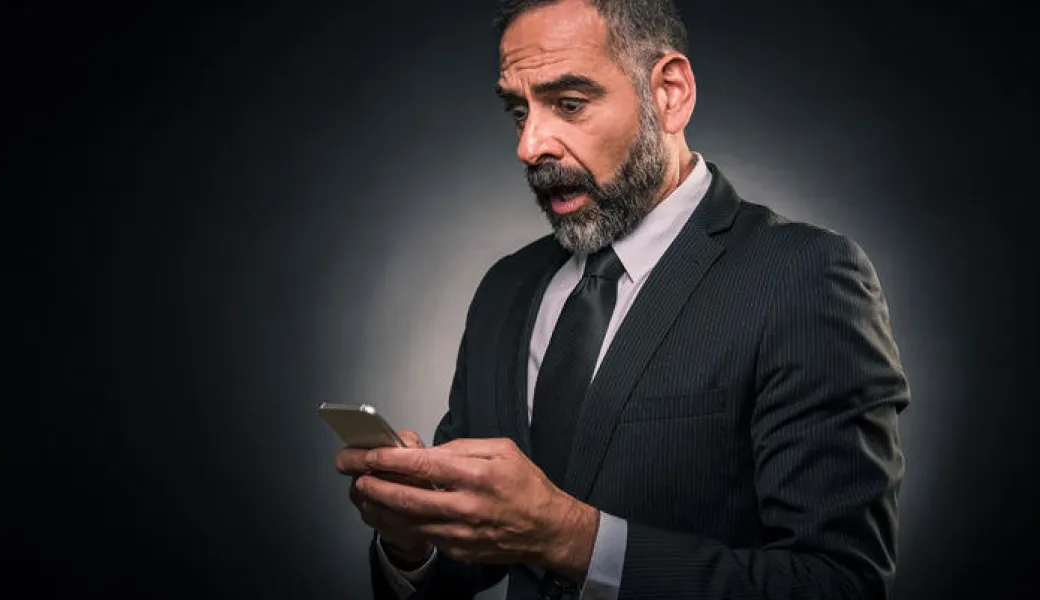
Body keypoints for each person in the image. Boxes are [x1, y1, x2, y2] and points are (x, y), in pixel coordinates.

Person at [335, 0, 910, 598]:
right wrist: (411, 539)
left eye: (570, 104)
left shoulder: (803, 276)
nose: (530, 146)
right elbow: (473, 553)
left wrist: (569, 537)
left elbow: (837, 584)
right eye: (518, 110)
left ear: (670, 93)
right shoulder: (506, 290)